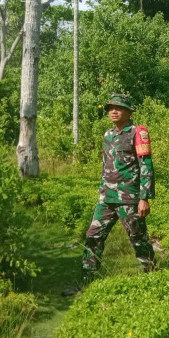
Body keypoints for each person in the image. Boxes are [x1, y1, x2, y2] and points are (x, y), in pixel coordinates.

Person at [63, 93, 155, 296]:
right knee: (93, 237)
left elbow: (145, 166)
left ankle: (153, 279)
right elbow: (106, 166)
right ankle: (87, 282)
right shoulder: (108, 135)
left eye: (118, 108)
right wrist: (101, 191)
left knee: (138, 239)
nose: (113, 111)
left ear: (129, 112)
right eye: (110, 108)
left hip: (128, 199)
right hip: (106, 198)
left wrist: (144, 198)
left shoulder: (137, 133)